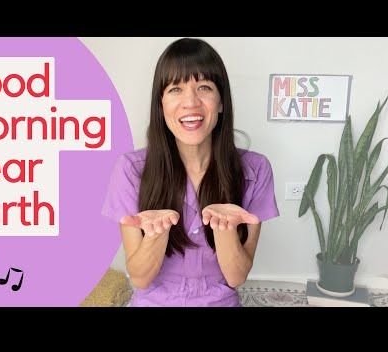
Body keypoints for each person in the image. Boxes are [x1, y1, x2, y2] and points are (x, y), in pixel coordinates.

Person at [102, 38, 279, 307]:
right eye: (175, 89)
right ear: (160, 105)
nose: (190, 102)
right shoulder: (130, 169)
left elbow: (236, 276)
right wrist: (156, 234)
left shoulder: (255, 170)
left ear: (221, 103)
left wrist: (225, 229)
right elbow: (139, 278)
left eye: (204, 87)